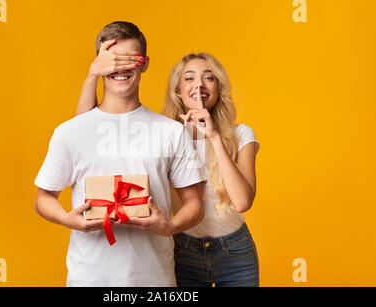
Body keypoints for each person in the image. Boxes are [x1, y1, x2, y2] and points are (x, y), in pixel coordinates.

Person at [34, 21, 206, 287]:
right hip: (88, 278)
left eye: (130, 59)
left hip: (154, 280)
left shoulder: (171, 132)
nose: (121, 68)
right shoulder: (69, 132)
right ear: (100, 64)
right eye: (113, 60)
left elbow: (194, 204)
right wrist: (68, 220)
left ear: (144, 63)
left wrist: (168, 227)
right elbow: (43, 198)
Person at [77, 49, 260, 287]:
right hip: (183, 250)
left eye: (209, 77)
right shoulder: (165, 134)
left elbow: (243, 202)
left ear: (218, 88)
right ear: (178, 91)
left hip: (235, 252)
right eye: (189, 78)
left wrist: (214, 137)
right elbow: (83, 129)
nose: (199, 85)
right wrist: (93, 75)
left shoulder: (241, 134)